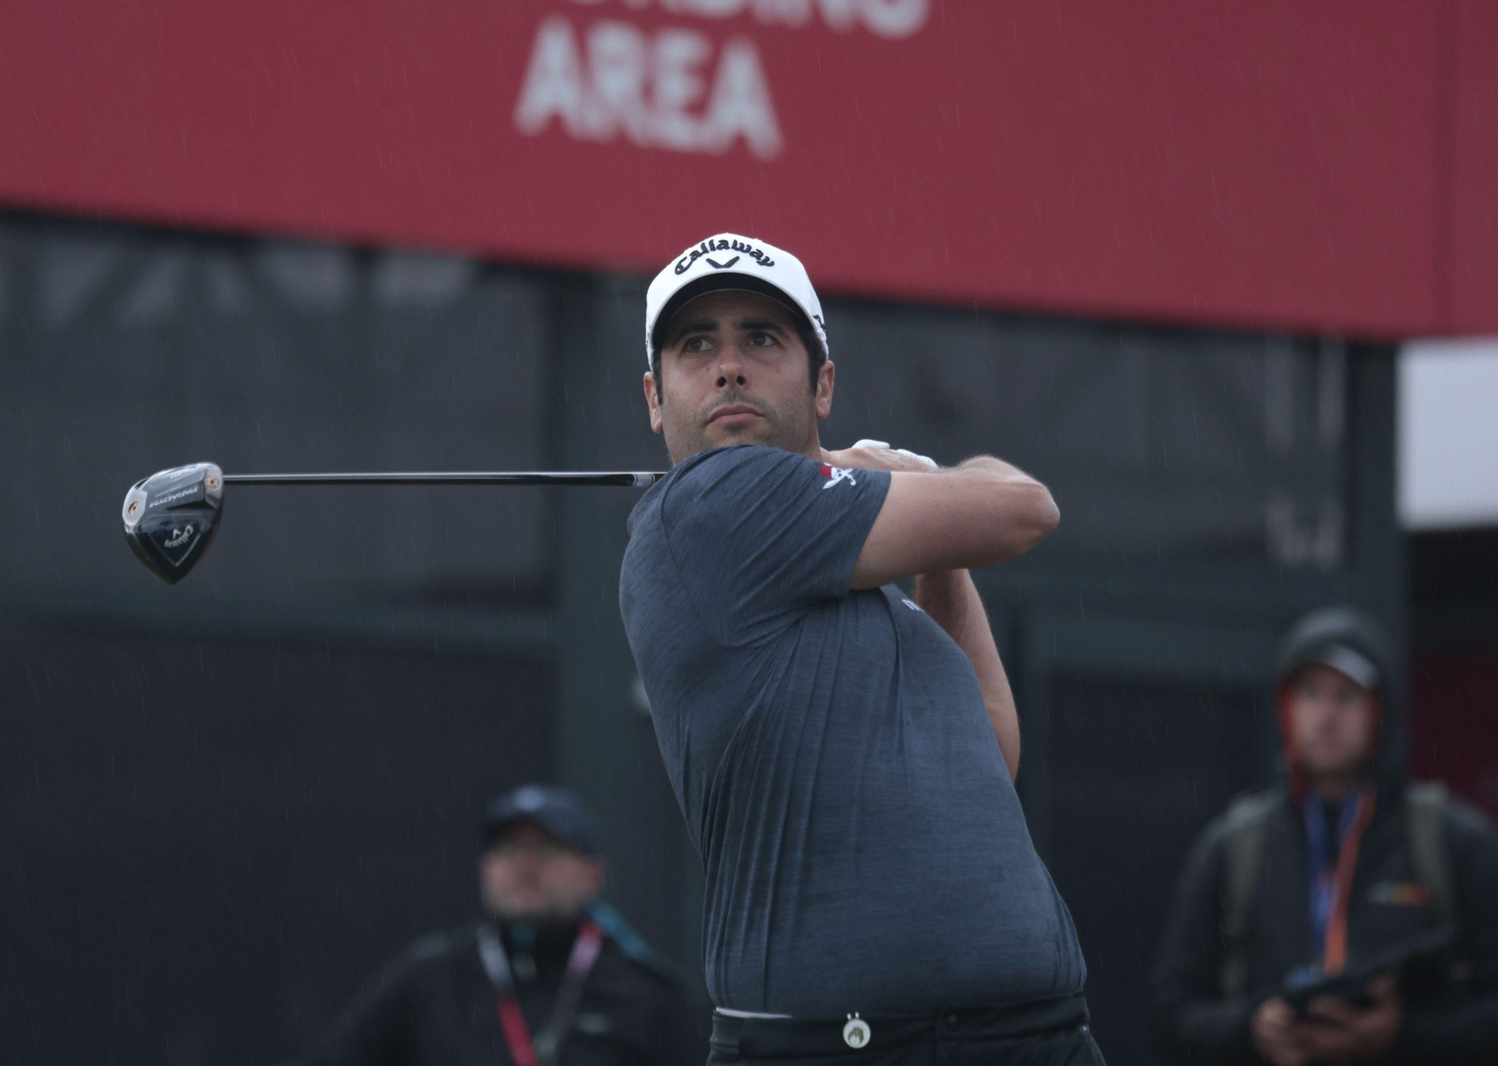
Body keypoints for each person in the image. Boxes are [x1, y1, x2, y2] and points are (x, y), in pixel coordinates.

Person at [618, 233, 1103, 1064]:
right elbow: (1026, 508)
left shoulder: (859, 569)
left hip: (1031, 1038)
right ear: (657, 400)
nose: (729, 367)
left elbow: (989, 752)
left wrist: (924, 535)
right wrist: (919, 482)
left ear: (824, 384)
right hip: (846, 1048)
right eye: (697, 345)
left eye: (761, 340)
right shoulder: (712, 505)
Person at [1151, 607, 1498, 1064]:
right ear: (1285, 709)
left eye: (1347, 696)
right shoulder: (1233, 847)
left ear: (1381, 710)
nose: (1326, 715)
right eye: (1310, 693)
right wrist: (1253, 1028)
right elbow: (1169, 1017)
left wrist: (1402, 1034)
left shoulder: (1453, 842)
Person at [290, 784, 707, 1066]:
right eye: (508, 848)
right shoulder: (429, 977)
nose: (525, 864)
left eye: (547, 847)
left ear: (591, 875)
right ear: (484, 870)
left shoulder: (646, 993)